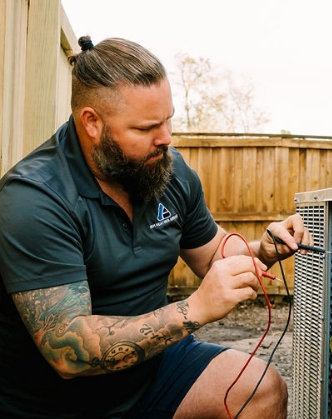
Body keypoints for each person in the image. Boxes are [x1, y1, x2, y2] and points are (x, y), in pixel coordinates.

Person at [0, 36, 310, 419]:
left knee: (260, 389)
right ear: (92, 122)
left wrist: (262, 250)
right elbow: (68, 352)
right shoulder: (35, 198)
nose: (166, 138)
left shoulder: (167, 170)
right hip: (55, 403)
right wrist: (194, 309)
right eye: (147, 127)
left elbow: (211, 253)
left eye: (168, 119)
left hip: (153, 371)